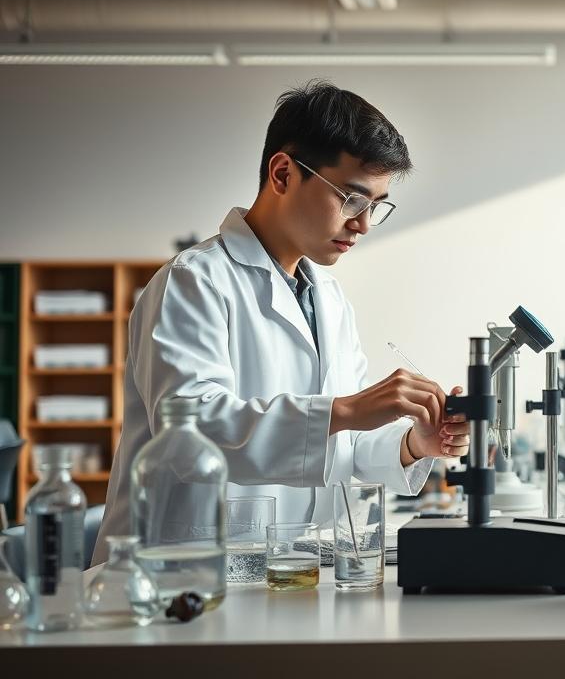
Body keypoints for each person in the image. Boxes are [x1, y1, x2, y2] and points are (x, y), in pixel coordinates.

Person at [95, 81, 469, 564]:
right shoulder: (193, 281)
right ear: (283, 173)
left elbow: (343, 449)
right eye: (352, 199)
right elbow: (187, 436)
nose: (365, 224)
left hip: (288, 568)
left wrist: (416, 442)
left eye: (376, 206)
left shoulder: (328, 299)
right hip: (181, 572)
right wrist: (345, 409)